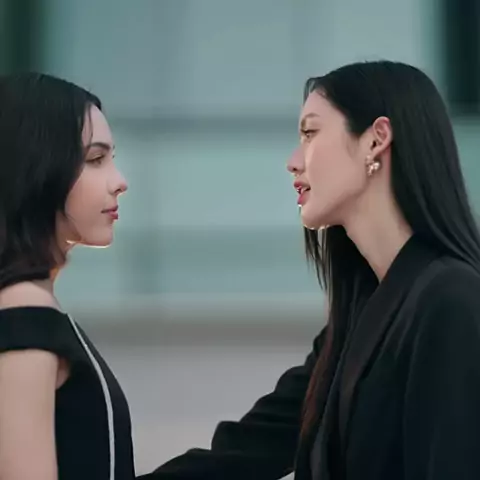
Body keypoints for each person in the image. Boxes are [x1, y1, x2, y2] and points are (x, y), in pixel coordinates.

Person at [140, 60, 480, 480]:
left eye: (310, 133)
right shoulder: (358, 314)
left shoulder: (451, 300)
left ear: (376, 140)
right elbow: (245, 451)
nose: (293, 161)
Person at [0, 73, 133, 480]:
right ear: (37, 168)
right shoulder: (24, 312)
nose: (119, 182)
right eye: (95, 160)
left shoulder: (32, 307)